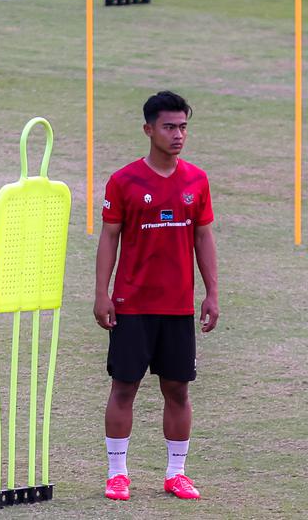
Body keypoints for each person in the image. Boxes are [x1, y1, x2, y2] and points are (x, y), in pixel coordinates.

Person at [94, 90, 219, 501]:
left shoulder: (196, 180)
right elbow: (109, 239)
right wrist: (102, 293)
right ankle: (117, 474)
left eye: (183, 126)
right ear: (149, 129)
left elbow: (203, 237)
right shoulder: (124, 181)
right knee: (124, 387)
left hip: (178, 307)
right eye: (169, 126)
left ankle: (176, 473)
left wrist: (211, 293)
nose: (178, 134)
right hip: (132, 305)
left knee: (178, 390)